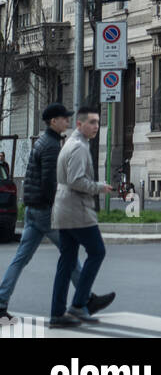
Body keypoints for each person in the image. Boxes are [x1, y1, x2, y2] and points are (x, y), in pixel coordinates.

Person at [0, 103, 114, 325]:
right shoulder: (52, 146)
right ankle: (84, 300)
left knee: (22, 258)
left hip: (33, 209)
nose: (67, 121)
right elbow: (50, 183)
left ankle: (1, 302)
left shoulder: (44, 141)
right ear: (53, 121)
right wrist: (58, 207)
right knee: (69, 255)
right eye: (64, 118)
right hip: (45, 211)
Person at [49, 108, 115, 329]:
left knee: (66, 262)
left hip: (64, 209)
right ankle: (78, 303)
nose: (96, 126)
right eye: (91, 122)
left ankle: (58, 313)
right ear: (79, 124)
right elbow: (76, 180)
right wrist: (100, 187)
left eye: (98, 122)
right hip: (76, 210)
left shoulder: (73, 143)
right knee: (97, 251)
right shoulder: (78, 147)